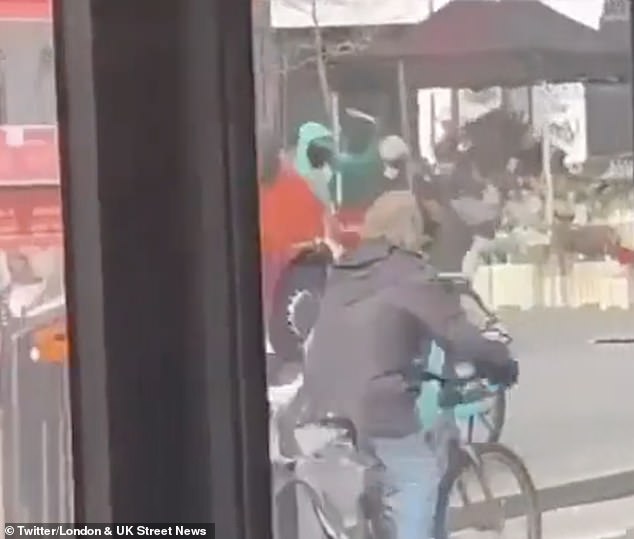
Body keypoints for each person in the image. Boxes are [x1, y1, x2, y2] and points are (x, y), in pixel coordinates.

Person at [297, 191, 518, 539]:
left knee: (376, 483)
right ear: (411, 228)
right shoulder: (409, 274)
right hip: (375, 405)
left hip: (322, 401)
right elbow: (456, 333)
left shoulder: (346, 270)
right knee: (420, 477)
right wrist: (500, 361)